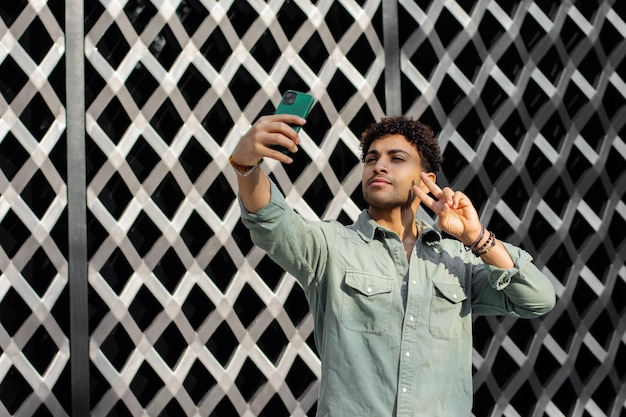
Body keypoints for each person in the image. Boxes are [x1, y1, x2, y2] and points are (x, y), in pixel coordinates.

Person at [229, 113, 556, 416]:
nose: (378, 166)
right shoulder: (330, 246)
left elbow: (538, 299)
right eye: (371, 159)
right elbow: (270, 219)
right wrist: (246, 165)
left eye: (396, 159)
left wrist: (476, 236)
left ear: (426, 179)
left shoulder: (457, 262)